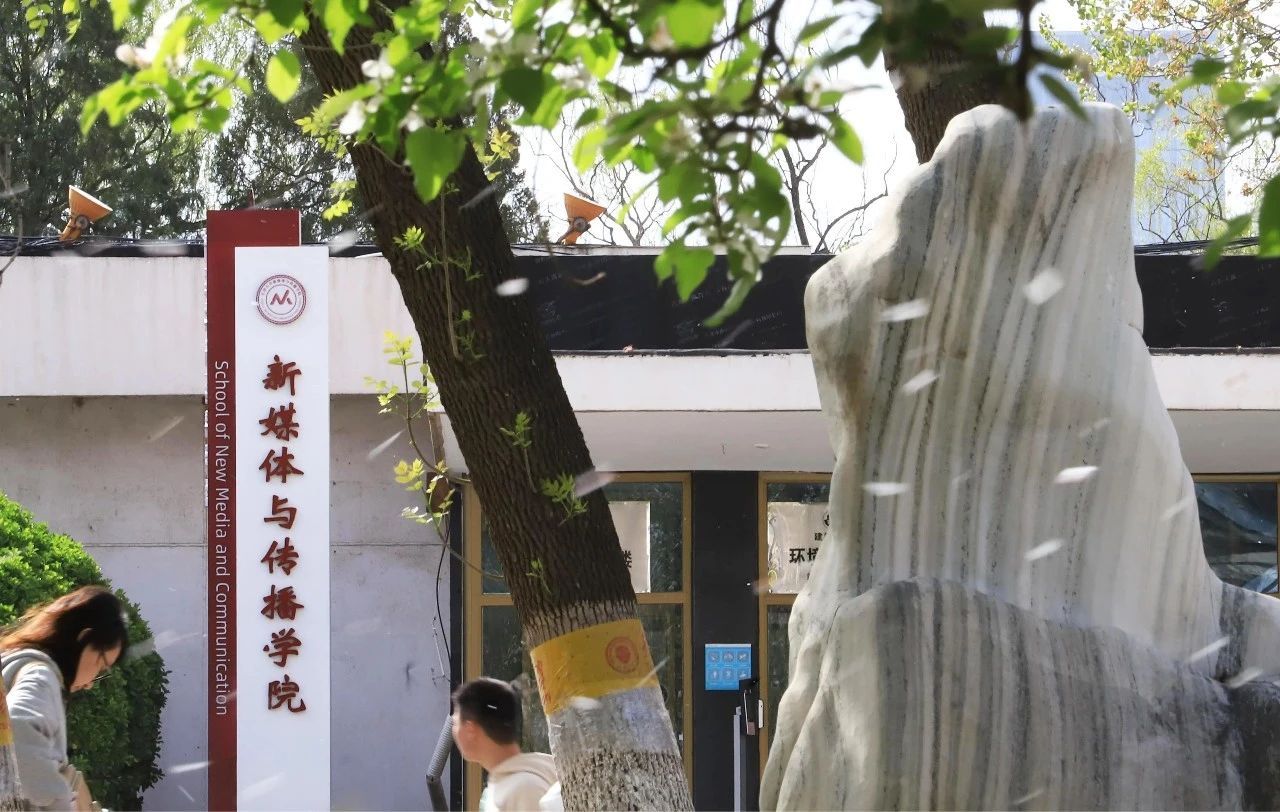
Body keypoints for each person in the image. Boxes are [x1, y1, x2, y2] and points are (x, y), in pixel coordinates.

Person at [0, 586, 127, 812]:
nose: (90, 683)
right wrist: (60, 802)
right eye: (101, 665)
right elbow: (18, 725)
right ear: (84, 639)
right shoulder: (41, 676)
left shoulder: (17, 662)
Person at [451, 678, 557, 812]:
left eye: (455, 723)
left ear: (470, 729)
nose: (453, 731)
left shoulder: (524, 791)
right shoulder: (509, 784)